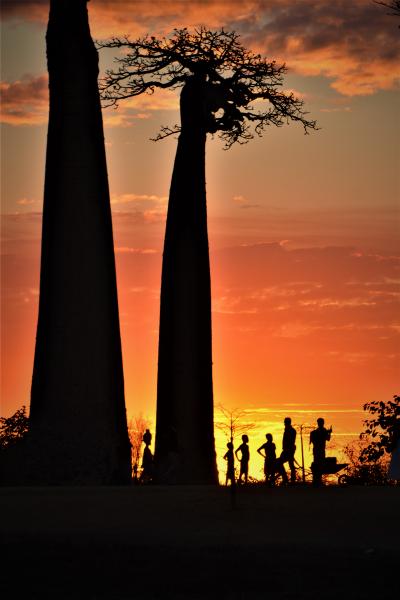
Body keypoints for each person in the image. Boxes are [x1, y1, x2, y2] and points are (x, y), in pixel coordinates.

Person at [310, 418, 332, 485]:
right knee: (319, 465)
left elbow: (327, 439)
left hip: (317, 450)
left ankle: (316, 480)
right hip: (320, 451)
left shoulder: (316, 432)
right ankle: (317, 481)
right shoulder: (323, 431)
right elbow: (328, 439)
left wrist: (328, 433)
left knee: (317, 465)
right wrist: (329, 433)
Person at [278, 417, 297, 484]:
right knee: (290, 464)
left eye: (285, 422)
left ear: (288, 423)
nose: (284, 423)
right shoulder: (288, 430)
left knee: (281, 462)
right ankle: (289, 479)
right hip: (287, 449)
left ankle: (287, 479)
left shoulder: (291, 431)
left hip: (288, 450)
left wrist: (289, 450)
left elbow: (291, 441)